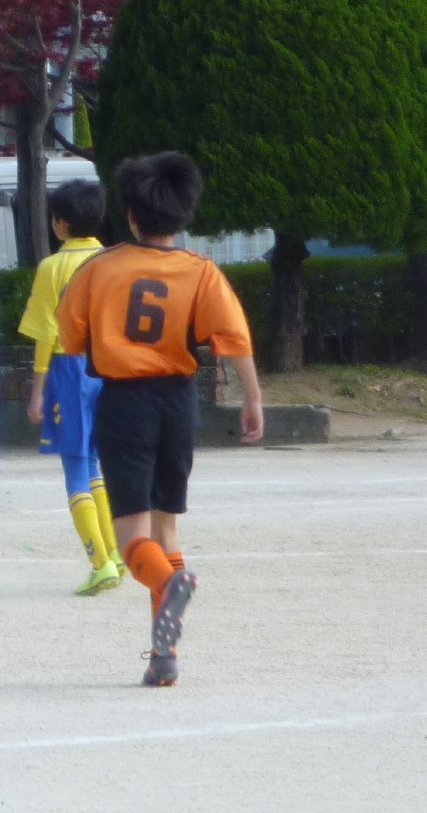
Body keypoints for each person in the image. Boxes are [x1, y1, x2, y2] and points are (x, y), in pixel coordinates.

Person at [56, 152, 263, 687]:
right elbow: (234, 337)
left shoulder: (98, 268)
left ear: (130, 216)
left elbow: (70, 337)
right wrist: (253, 398)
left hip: (125, 402)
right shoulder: (201, 271)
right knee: (166, 525)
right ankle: (162, 657)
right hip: (178, 401)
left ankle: (170, 586)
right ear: (183, 215)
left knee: (131, 537)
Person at [17, 180, 124, 596]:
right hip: (108, 369)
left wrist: (37, 391)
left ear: (60, 224)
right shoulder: (111, 262)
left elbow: (47, 331)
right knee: (95, 462)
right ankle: (114, 553)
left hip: (70, 370)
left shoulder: (52, 267)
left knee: (76, 467)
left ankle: (99, 564)